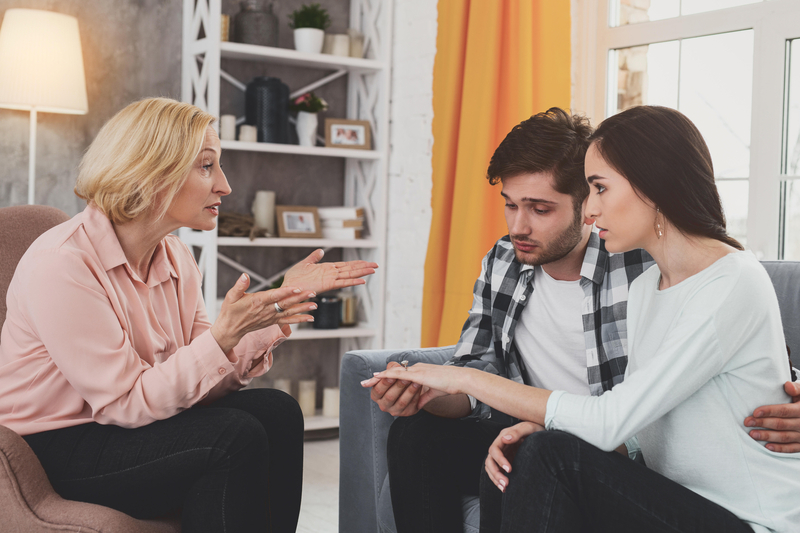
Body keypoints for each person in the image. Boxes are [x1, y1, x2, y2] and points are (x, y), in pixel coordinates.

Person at [361, 107, 800, 533]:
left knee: (551, 454)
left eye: (599, 189)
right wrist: (528, 425)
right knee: (517, 446)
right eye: (510, 205)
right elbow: (642, 425)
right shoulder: (653, 285)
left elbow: (627, 412)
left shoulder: (713, 278)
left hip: (747, 517)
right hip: (655, 484)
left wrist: (465, 381)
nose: (592, 209)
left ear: (653, 186)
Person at [0, 97, 377, 533]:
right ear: (152, 171)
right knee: (232, 438)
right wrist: (222, 337)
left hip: (123, 426)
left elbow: (198, 382)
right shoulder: (62, 263)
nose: (225, 186)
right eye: (206, 167)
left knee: (278, 411)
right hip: (50, 446)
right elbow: (127, 401)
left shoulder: (176, 257)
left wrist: (273, 309)